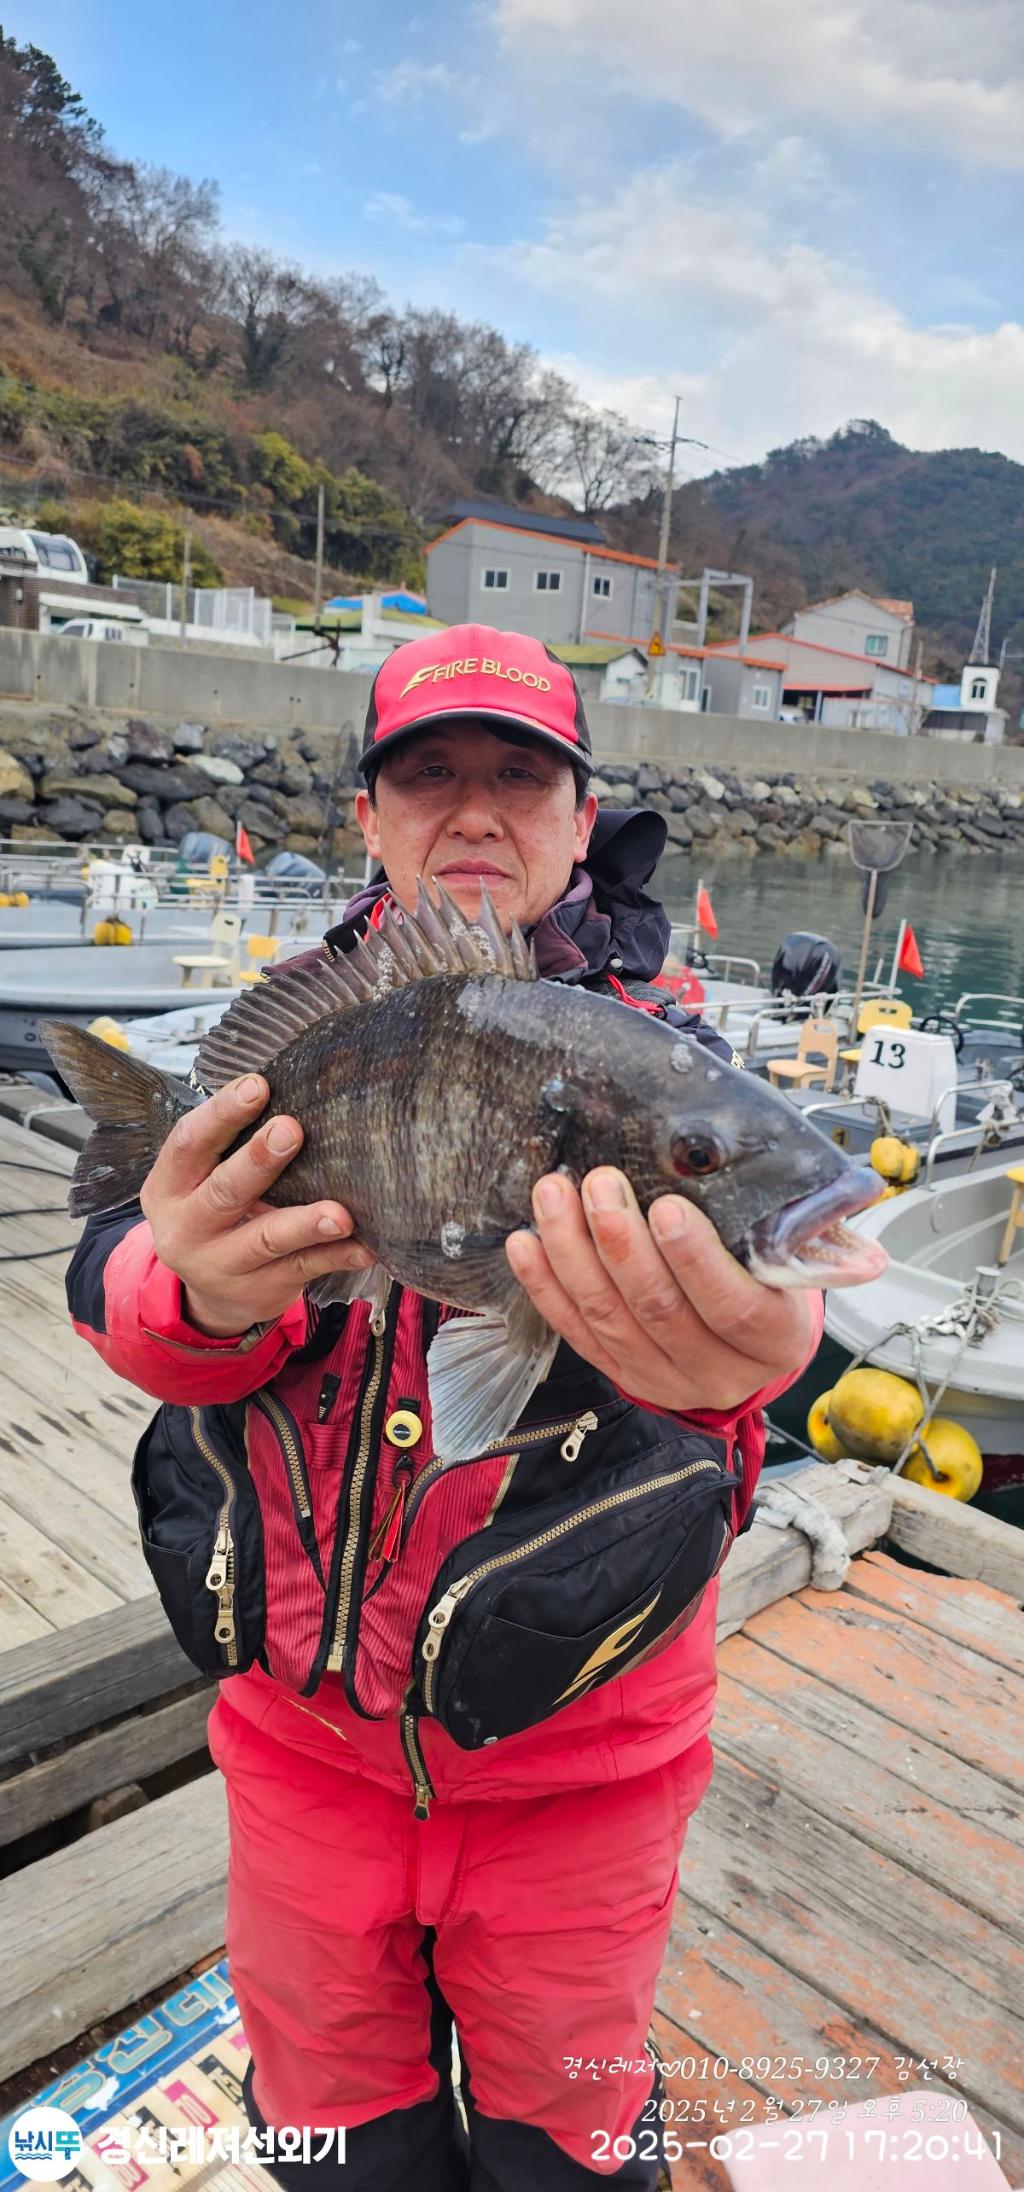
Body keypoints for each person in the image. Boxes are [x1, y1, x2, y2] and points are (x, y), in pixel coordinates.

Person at [67, 625, 822, 2192]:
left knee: (572, 2142)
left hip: (585, 1778)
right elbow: (125, 1298)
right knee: (334, 2135)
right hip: (299, 1759)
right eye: (428, 775)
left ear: (578, 816)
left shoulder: (679, 1059)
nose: (473, 809)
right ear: (369, 816)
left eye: (519, 776)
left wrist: (761, 1368)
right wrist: (192, 1286)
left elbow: (761, 1389)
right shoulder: (293, 1038)